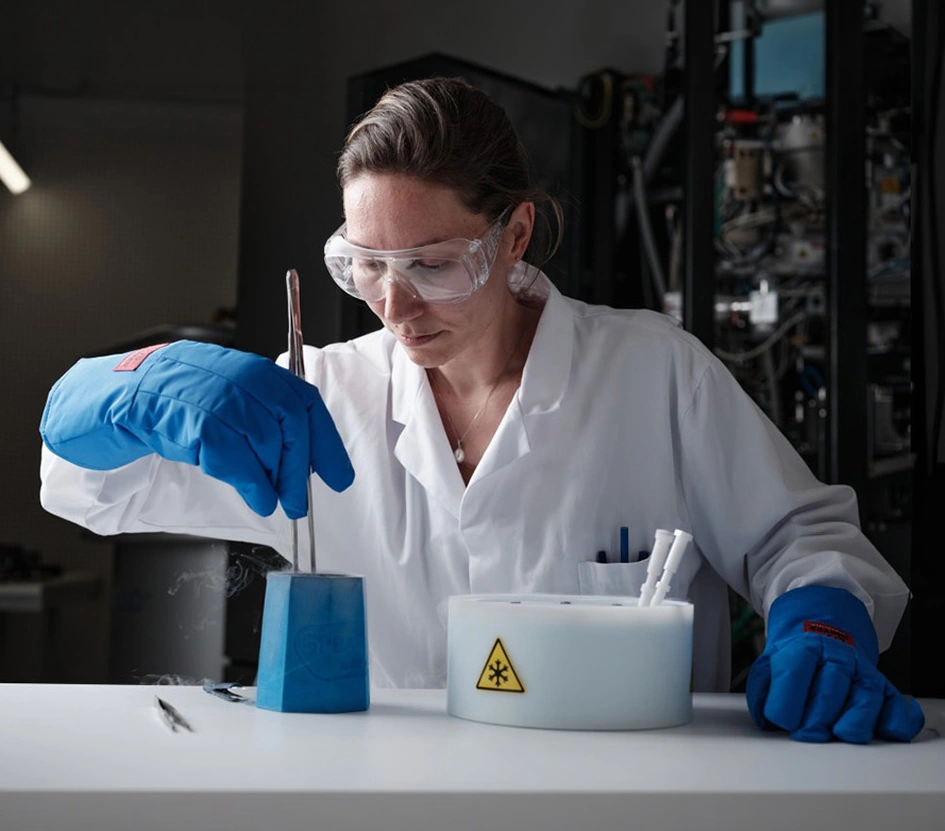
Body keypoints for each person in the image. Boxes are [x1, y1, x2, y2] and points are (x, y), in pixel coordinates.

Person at [39, 77, 922, 744]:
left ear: (517, 235)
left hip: (628, 801)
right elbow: (90, 488)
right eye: (366, 265)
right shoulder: (321, 395)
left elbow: (802, 541)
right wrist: (127, 384)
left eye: (432, 264)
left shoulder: (653, 373)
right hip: (394, 796)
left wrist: (818, 621)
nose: (394, 304)